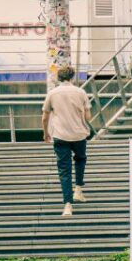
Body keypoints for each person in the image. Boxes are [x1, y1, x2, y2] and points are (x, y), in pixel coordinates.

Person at [42, 66, 92, 217]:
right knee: (80, 159)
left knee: (64, 170)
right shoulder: (81, 92)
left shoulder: (52, 93)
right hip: (79, 135)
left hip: (60, 135)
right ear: (72, 77)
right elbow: (88, 117)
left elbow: (45, 116)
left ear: (59, 78)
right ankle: (78, 190)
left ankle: (67, 206)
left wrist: (46, 133)